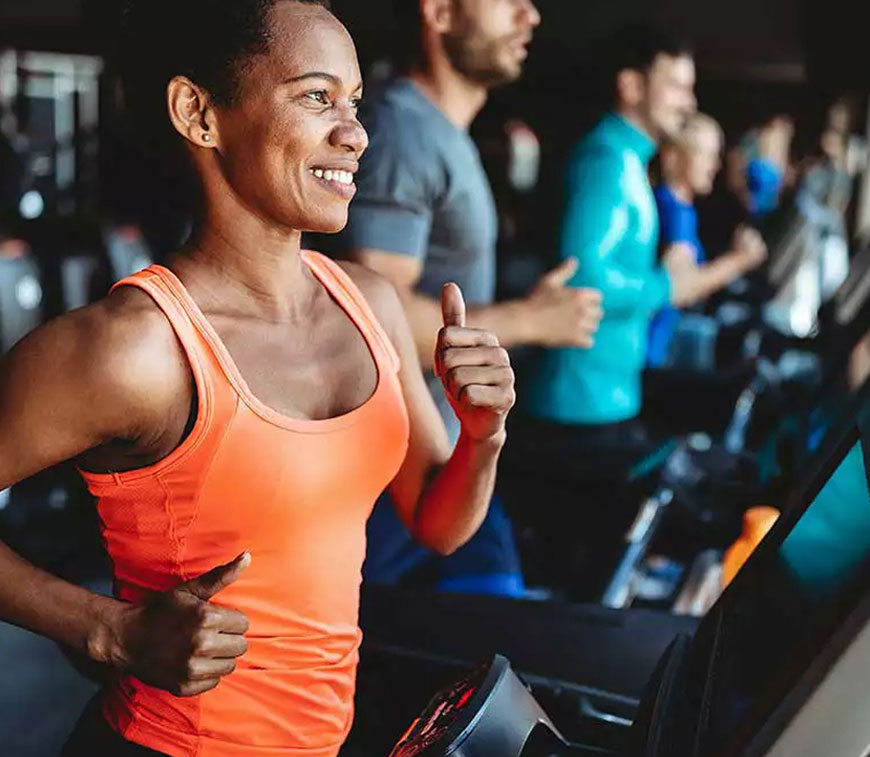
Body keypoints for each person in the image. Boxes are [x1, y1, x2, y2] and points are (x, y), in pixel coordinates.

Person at [0, 2, 515, 755]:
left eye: (354, 102)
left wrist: (483, 434)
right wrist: (107, 629)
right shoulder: (135, 349)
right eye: (315, 97)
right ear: (199, 114)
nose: (356, 132)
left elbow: (439, 523)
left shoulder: (366, 302)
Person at [323, 0, 601, 595]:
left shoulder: (441, 131)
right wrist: (529, 320)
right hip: (400, 484)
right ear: (441, 14)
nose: (530, 17)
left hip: (448, 463)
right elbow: (374, 315)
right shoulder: (402, 131)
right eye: (508, 3)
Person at [522, 24, 698, 466]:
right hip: (582, 402)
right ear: (632, 85)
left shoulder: (628, 159)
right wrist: (666, 284)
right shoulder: (607, 161)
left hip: (602, 396)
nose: (688, 103)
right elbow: (584, 277)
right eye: (676, 86)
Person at [648, 113, 768, 367]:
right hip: (654, 355)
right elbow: (680, 291)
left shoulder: (683, 209)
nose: (714, 165)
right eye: (705, 154)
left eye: (716, 156)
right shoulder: (672, 211)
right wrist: (739, 260)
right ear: (673, 157)